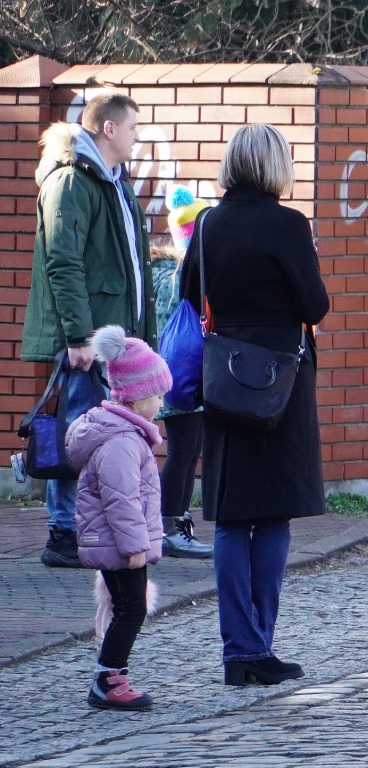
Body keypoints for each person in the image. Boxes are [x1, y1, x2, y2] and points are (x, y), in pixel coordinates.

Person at [178, 124, 329, 687]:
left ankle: (239, 650)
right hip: (281, 378)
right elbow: (315, 304)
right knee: (272, 514)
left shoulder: (209, 223)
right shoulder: (289, 224)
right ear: (275, 166)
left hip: (223, 376)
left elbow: (188, 295)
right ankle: (260, 645)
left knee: (231, 516)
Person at [21, 94, 156, 568]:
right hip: (88, 339)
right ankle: (63, 532)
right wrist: (79, 337)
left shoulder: (114, 181)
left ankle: (90, 530)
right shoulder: (72, 181)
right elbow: (62, 261)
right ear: (109, 129)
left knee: (101, 435)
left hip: (112, 336)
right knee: (77, 431)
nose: (138, 136)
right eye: (134, 127)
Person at [65, 325, 169, 710]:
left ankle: (112, 677)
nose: (161, 403)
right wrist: (135, 547)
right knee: (131, 610)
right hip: (120, 545)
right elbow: (121, 501)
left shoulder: (124, 435)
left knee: (128, 608)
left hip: (116, 543)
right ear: (138, 398)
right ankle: (108, 681)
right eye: (158, 395)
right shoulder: (122, 442)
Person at [151, 186, 212, 559]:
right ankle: (167, 528)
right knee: (184, 451)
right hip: (184, 375)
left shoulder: (166, 272)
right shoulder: (184, 276)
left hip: (173, 374)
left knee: (188, 452)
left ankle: (175, 523)